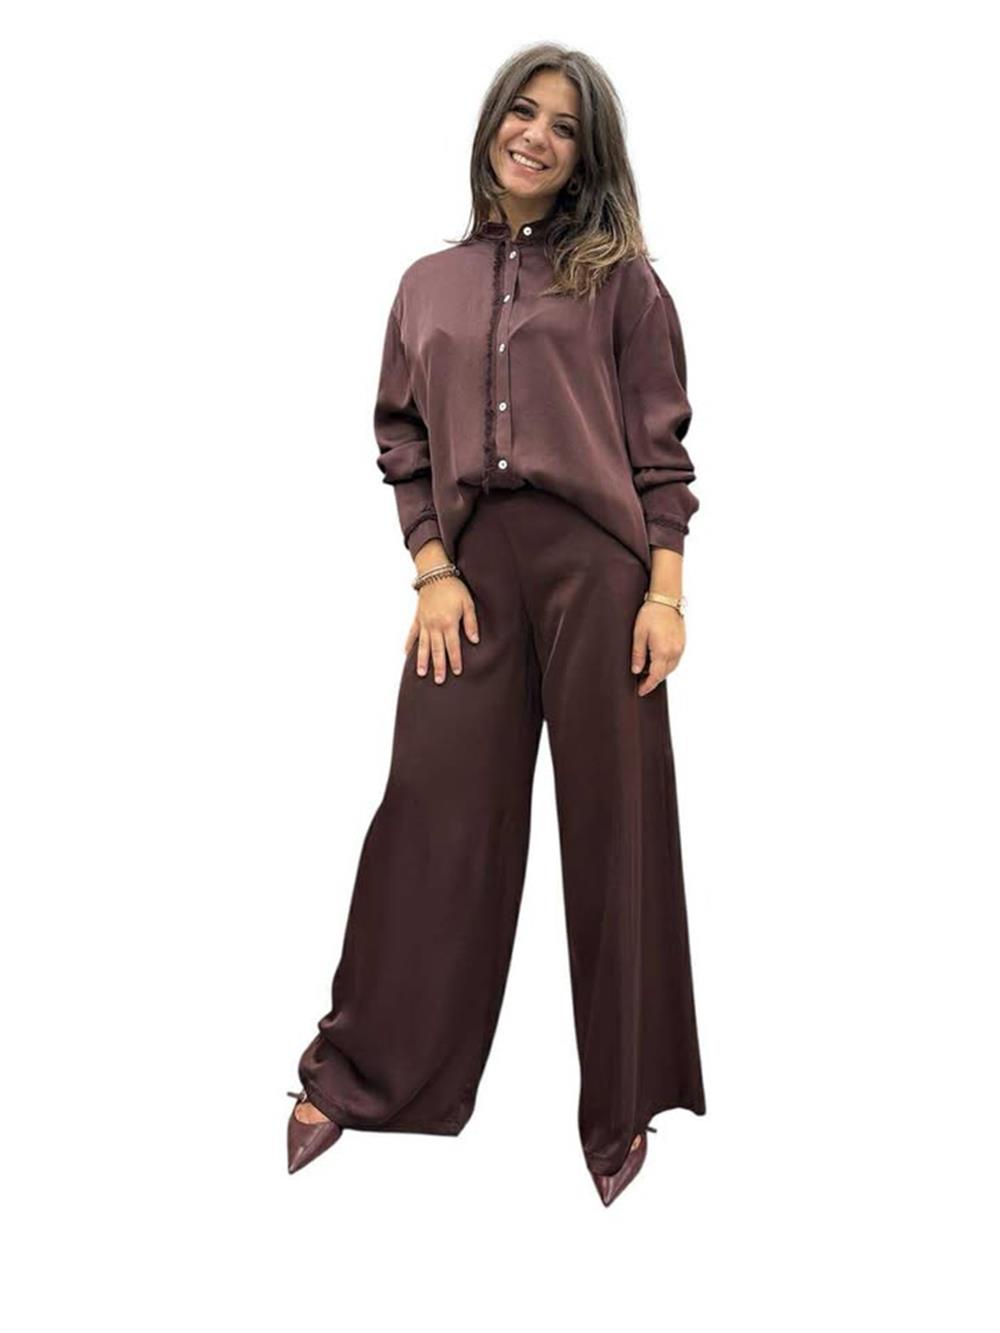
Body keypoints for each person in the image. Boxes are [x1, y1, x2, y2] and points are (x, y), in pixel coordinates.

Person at [287, 42, 707, 1207]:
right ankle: (368, 1071)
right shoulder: (427, 283)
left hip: (599, 575)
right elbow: (401, 438)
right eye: (523, 112)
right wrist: (431, 567)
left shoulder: (623, 282)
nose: (536, 135)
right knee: (431, 817)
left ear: (586, 157)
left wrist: (664, 592)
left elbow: (661, 452)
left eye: (564, 126)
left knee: (616, 828)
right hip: (468, 579)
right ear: (491, 124)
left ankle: (623, 1101)